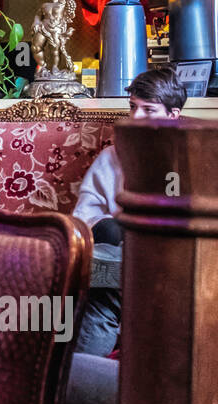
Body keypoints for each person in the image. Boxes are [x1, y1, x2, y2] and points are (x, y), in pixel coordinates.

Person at [72, 66, 186, 356]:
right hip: (115, 254)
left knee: (104, 295)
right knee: (110, 244)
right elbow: (84, 217)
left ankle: (79, 385)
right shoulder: (113, 156)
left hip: (171, 260)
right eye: (133, 107)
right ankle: (86, 384)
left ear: (173, 115)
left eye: (149, 110)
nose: (136, 118)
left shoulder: (193, 156)